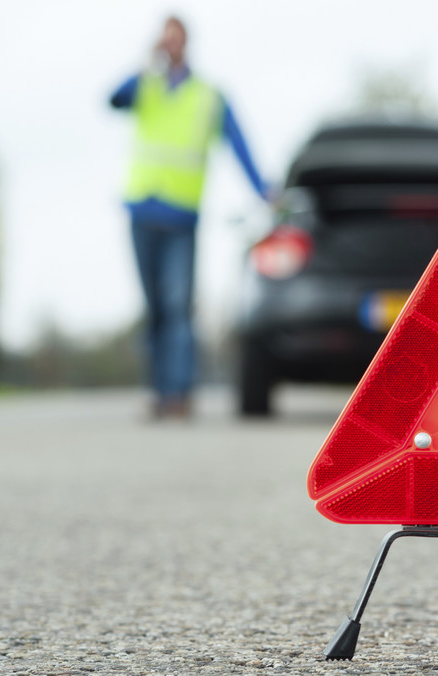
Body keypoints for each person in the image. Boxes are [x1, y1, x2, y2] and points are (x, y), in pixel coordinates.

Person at [110, 16, 268, 419]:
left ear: (187, 44)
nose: (170, 47)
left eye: (175, 40)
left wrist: (264, 190)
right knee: (156, 309)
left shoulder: (208, 96)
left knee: (178, 305)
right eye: (164, 41)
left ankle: (179, 393)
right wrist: (147, 64)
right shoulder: (146, 86)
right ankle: (159, 391)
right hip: (142, 211)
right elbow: (112, 100)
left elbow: (239, 144)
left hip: (181, 217)